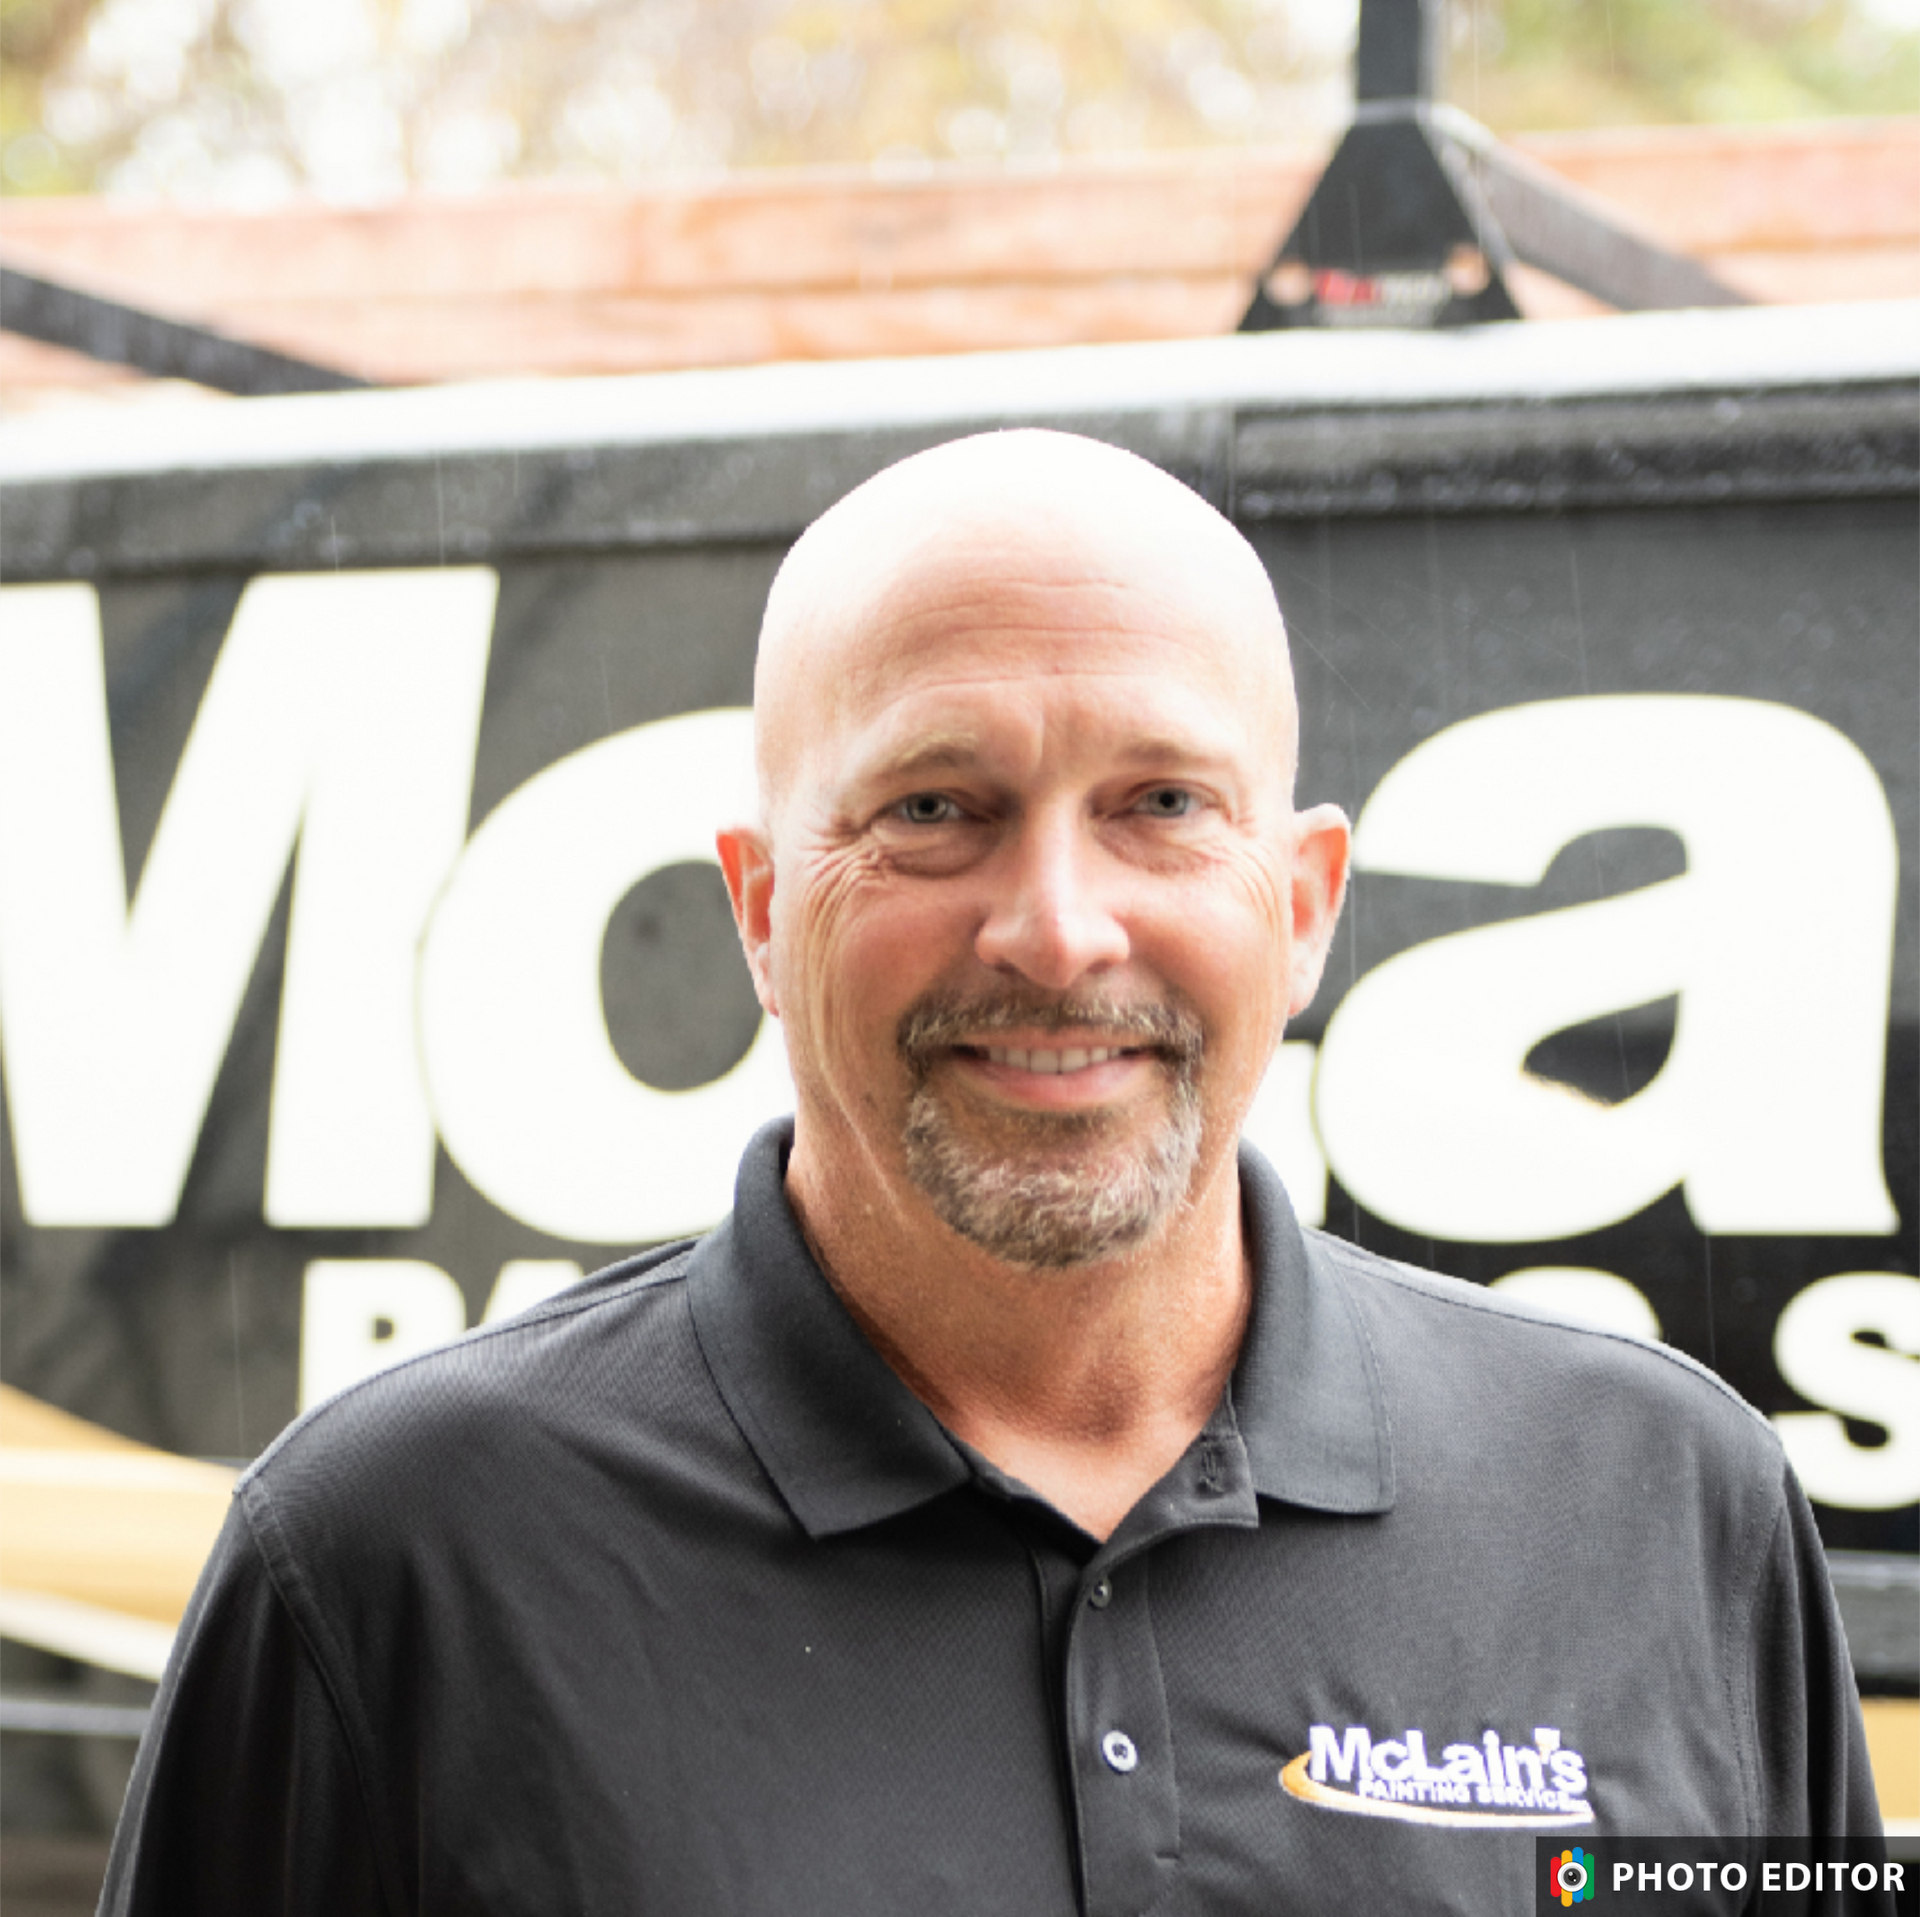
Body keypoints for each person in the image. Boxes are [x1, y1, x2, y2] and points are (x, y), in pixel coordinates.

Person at [103, 430, 1884, 1916]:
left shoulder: (1668, 1507)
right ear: (760, 903)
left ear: (1306, 900)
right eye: (934, 810)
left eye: (1164, 804)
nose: (1055, 930)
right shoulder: (393, 1556)